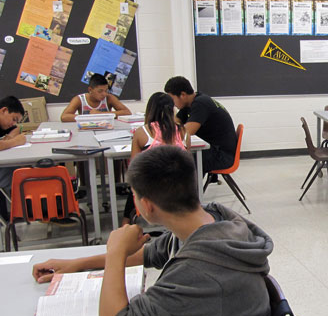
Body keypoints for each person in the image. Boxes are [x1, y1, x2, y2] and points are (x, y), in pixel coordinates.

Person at [32, 146, 273, 316]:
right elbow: (149, 253)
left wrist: (116, 251)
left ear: (146, 206)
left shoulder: (202, 273)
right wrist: (75, 265)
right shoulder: (208, 220)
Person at [120, 92, 190, 226]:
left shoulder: (143, 132)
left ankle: (125, 223)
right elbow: (187, 163)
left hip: (151, 193)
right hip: (178, 190)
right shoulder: (183, 132)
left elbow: (134, 166)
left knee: (137, 182)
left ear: (150, 109)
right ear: (172, 109)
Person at [164, 76, 237, 177]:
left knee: (183, 160)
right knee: (182, 156)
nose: (172, 104)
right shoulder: (190, 103)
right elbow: (176, 122)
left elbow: (187, 132)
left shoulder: (200, 103)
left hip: (223, 155)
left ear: (183, 95)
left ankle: (191, 192)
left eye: (172, 99)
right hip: (214, 150)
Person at [60, 73, 131, 122]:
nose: (104, 94)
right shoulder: (80, 99)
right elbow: (64, 117)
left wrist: (100, 114)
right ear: (90, 90)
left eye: (106, 90)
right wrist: (89, 117)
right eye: (100, 91)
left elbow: (127, 112)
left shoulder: (109, 98)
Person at [0, 96, 26, 220]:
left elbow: (17, 129)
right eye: (14, 119)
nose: (14, 123)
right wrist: (15, 141)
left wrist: (10, 137)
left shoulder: (4, 123)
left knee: (24, 169)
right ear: (4, 110)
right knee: (22, 173)